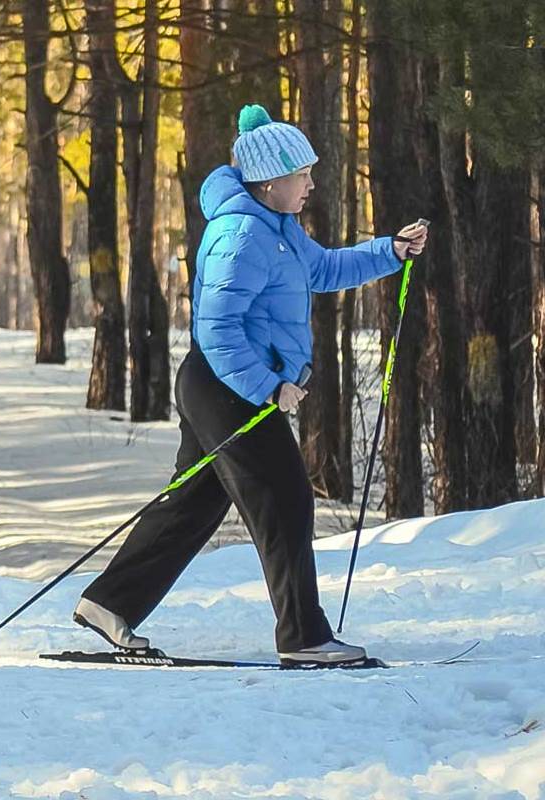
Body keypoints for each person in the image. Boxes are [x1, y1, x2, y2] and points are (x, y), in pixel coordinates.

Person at [73, 104, 429, 666]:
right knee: (284, 498)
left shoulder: (278, 228)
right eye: (302, 174)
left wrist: (390, 251)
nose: (312, 183)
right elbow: (216, 328)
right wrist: (267, 387)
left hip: (223, 384)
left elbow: (325, 270)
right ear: (269, 181)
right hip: (225, 385)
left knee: (194, 503)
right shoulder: (240, 234)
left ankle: (108, 603)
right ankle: (305, 638)